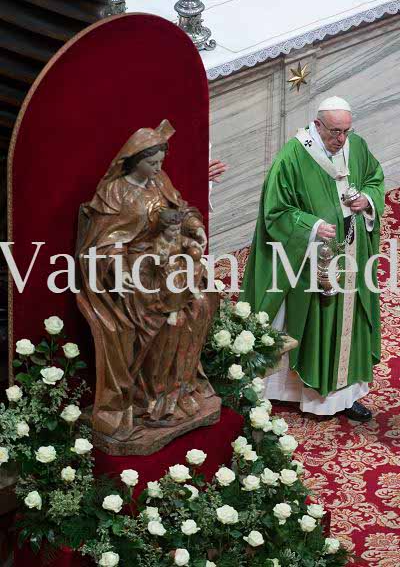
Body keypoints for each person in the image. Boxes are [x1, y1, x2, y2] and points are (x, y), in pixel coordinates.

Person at [240, 97, 385, 421]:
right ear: (317, 125)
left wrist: (367, 200)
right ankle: (301, 394)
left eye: (346, 131)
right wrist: (313, 226)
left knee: (350, 321)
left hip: (352, 252)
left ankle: (345, 395)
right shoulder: (292, 157)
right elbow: (275, 212)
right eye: (334, 132)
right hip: (311, 259)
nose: (341, 139)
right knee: (317, 321)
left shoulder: (356, 147)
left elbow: (374, 178)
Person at [76, 120, 219, 440]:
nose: (158, 168)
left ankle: (180, 391)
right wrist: (119, 269)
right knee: (167, 320)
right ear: (133, 160)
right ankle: (151, 399)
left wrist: (194, 226)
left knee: (200, 304)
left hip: (167, 259)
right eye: (152, 163)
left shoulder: (159, 180)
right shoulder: (114, 192)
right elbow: (103, 243)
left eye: (160, 162)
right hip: (133, 270)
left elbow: (181, 209)